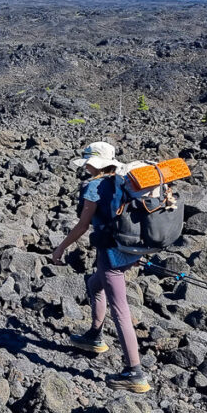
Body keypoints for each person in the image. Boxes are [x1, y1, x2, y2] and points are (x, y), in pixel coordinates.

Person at [50, 141, 150, 393]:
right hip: (129, 249)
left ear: (93, 163)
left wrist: (60, 248)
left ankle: (134, 372)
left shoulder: (94, 186)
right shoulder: (124, 181)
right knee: (95, 285)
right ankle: (94, 336)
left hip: (111, 254)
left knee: (120, 310)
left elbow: (83, 225)